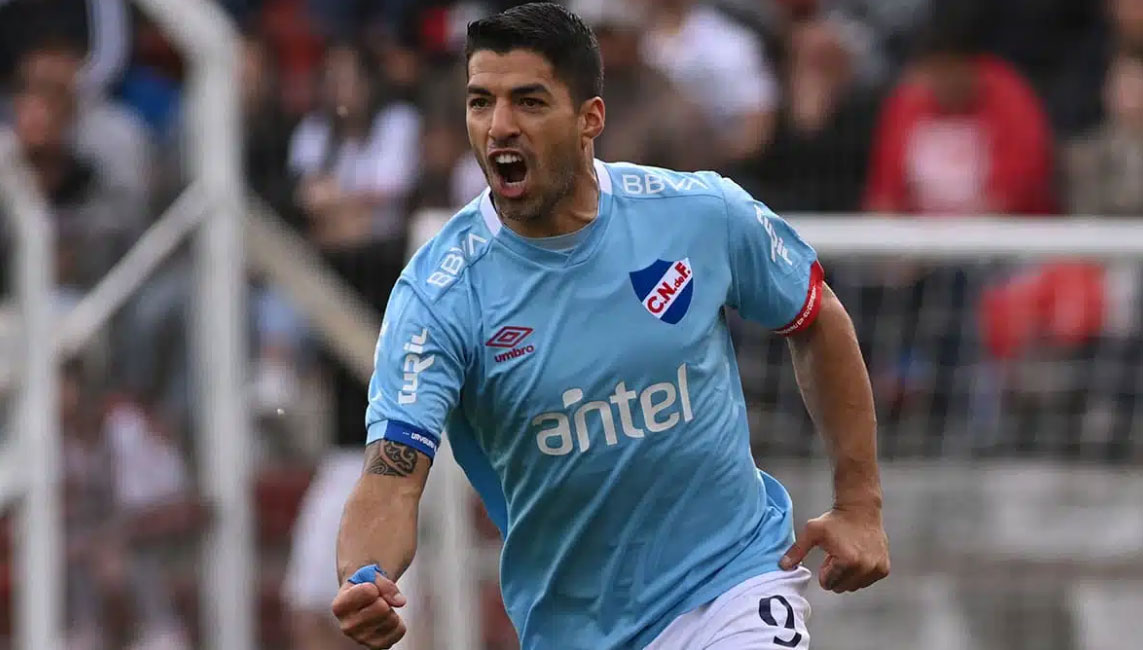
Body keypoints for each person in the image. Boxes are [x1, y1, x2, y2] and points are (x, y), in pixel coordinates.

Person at [332, 4, 889, 649]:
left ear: (590, 118)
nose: (499, 126)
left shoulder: (698, 213)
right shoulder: (438, 296)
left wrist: (859, 505)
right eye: (480, 102)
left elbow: (816, 318)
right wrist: (364, 576)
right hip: (576, 629)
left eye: (529, 102)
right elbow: (392, 476)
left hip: (731, 586)